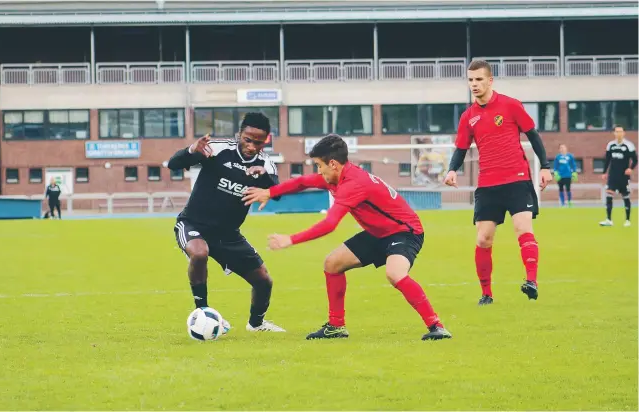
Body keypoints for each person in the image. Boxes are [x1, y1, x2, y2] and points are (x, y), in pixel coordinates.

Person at [242, 134, 452, 341]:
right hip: (379, 233)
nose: (318, 171)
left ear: (332, 164)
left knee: (395, 273)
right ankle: (336, 326)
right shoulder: (337, 176)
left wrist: (291, 239)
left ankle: (437, 326)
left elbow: (330, 224)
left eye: (319, 165)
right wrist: (270, 192)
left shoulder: (353, 183)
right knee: (332, 263)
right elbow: (303, 182)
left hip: (405, 232)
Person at [444, 59, 552, 305]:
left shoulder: (511, 105)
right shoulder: (468, 117)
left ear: (490, 80)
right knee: (483, 239)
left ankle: (531, 280)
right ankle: (486, 294)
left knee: (523, 229)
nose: (474, 84)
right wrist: (452, 170)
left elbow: (533, 135)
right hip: (488, 183)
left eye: (479, 79)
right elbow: (461, 148)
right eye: (470, 80)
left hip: (517, 179)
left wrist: (545, 167)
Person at [166, 112, 285, 333]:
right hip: (193, 224)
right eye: (247, 139)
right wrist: (191, 150)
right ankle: (202, 312)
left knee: (263, 281)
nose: (251, 146)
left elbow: (276, 192)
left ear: (265, 141)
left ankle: (256, 324)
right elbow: (173, 164)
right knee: (199, 253)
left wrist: (265, 179)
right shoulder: (218, 150)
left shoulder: (265, 163)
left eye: (257, 143)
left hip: (228, 235)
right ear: (239, 134)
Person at [599, 125, 637, 227]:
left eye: (620, 131)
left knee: (625, 195)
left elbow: (635, 160)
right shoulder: (610, 145)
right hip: (613, 174)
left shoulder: (628, 145)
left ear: (624, 133)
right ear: (614, 133)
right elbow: (607, 160)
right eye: (616, 131)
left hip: (623, 175)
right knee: (609, 194)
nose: (618, 133)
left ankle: (627, 220)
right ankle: (609, 219)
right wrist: (604, 172)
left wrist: (631, 168)